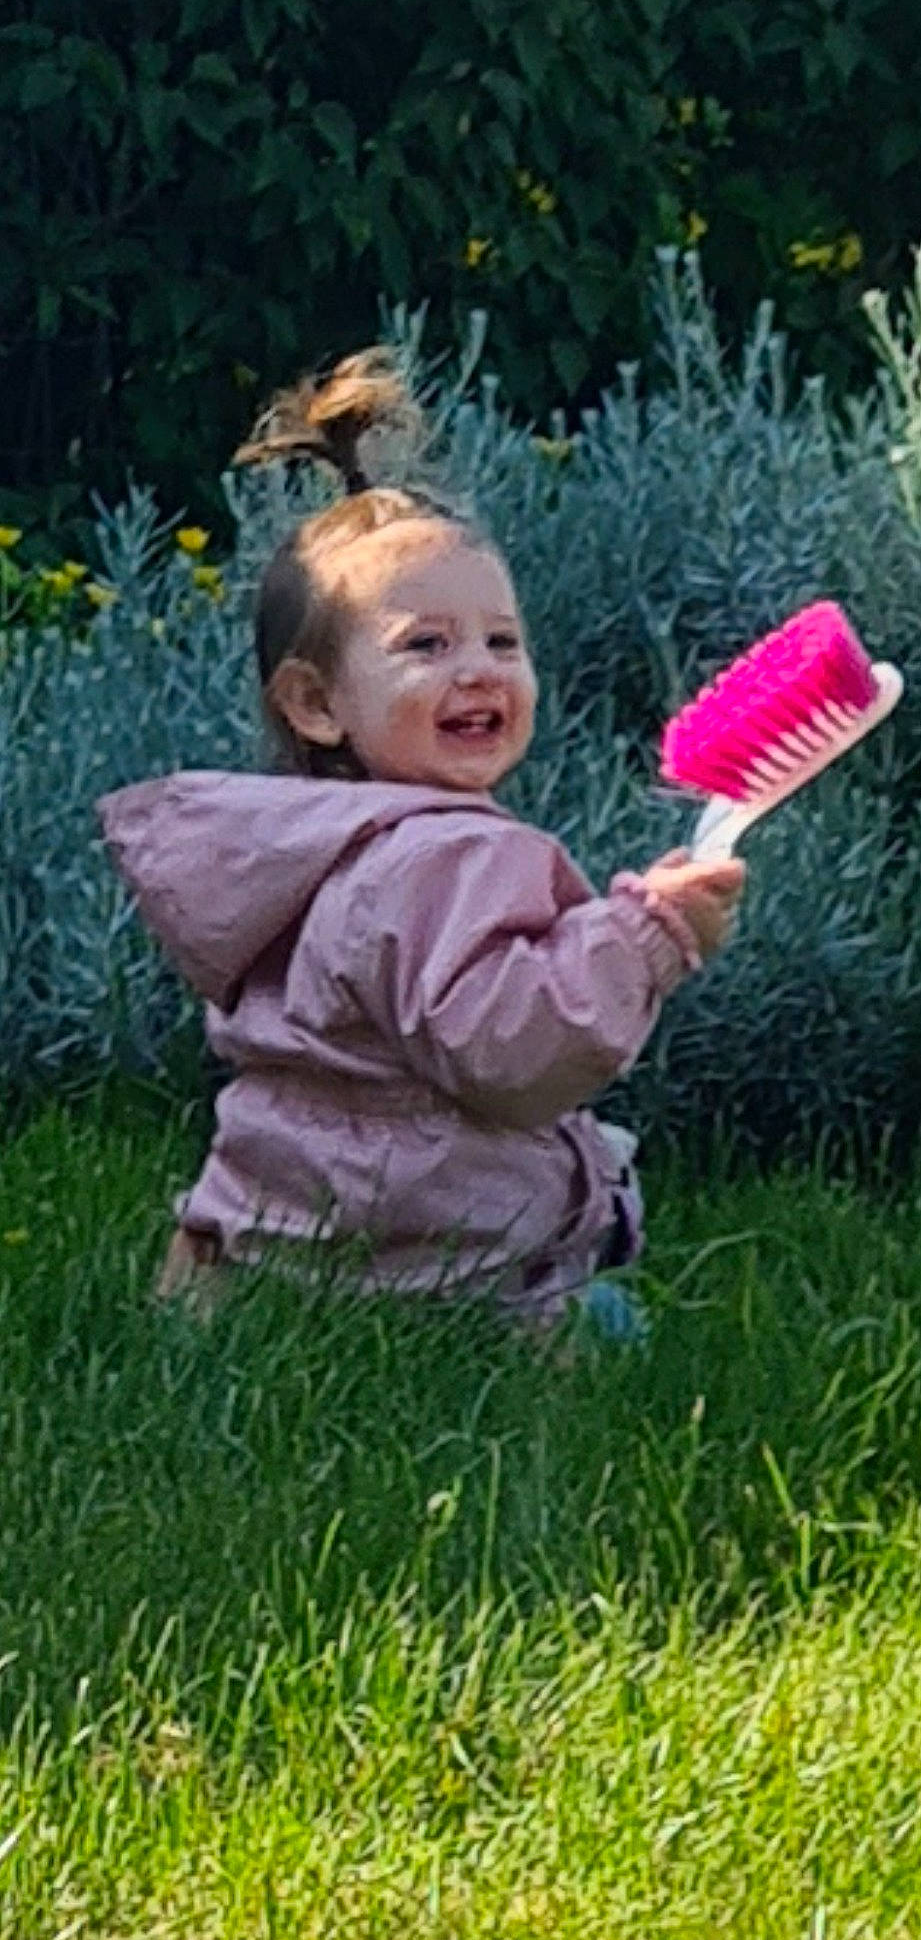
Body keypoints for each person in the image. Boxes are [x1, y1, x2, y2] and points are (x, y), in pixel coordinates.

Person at [97, 350, 745, 1331]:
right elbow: (514, 1047)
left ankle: (219, 1297)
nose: (478, 669)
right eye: (426, 645)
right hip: (431, 1270)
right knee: (616, 1327)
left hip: (290, 1237)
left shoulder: (301, 856)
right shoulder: (454, 855)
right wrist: (648, 934)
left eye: (502, 640)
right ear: (315, 703)